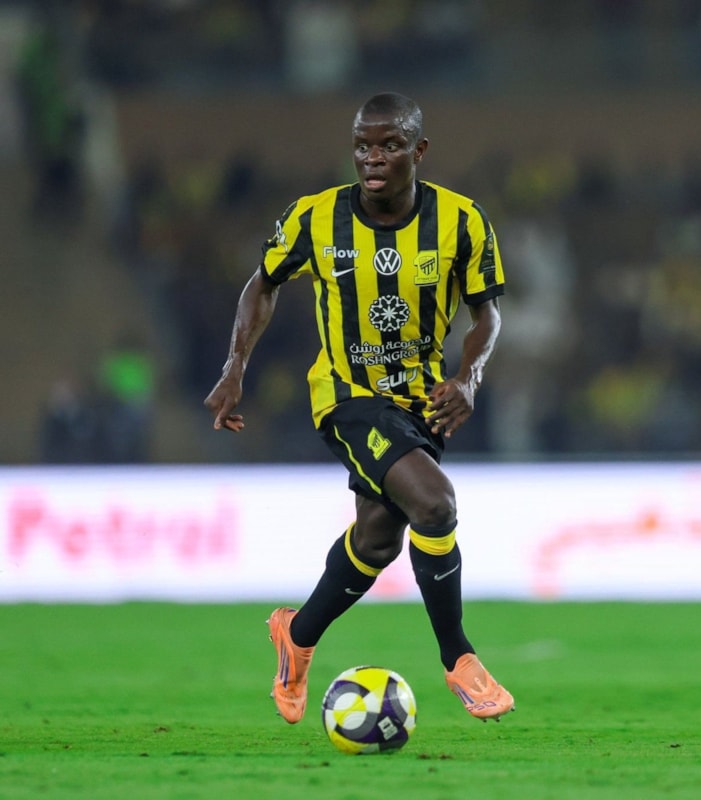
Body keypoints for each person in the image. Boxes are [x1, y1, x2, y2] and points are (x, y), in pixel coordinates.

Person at [204, 92, 514, 723]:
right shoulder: (315, 218)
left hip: (421, 401)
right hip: (348, 396)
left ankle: (297, 634)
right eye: (362, 146)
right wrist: (235, 367)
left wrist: (469, 378)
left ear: (418, 151)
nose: (372, 158)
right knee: (435, 504)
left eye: (389, 146)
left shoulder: (462, 221)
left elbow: (486, 313)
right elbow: (263, 283)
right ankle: (459, 657)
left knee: (376, 540)